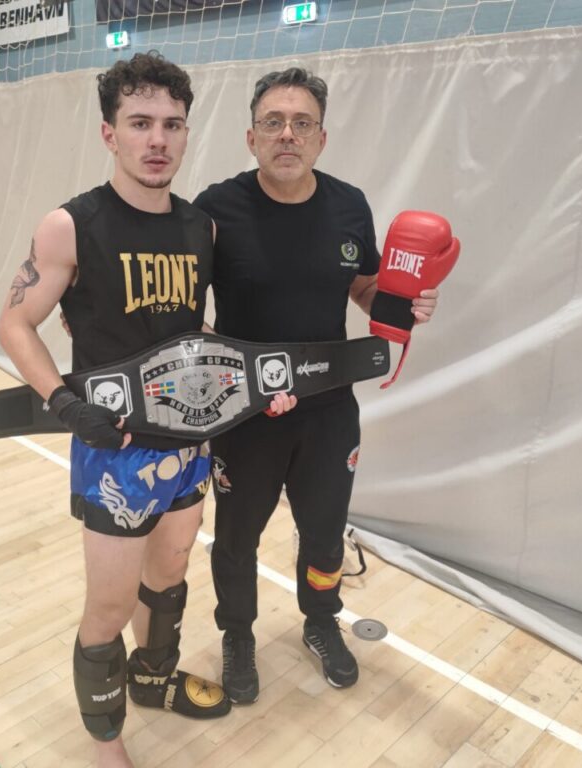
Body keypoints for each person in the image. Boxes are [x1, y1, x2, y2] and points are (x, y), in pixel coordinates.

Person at [0, 52, 296, 768]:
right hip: (114, 452)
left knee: (167, 582)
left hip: (189, 444)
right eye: (139, 123)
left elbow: (196, 331)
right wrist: (63, 403)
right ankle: (106, 741)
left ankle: (155, 682)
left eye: (171, 124)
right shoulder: (71, 225)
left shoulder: (201, 229)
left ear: (187, 132)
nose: (157, 139)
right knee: (108, 605)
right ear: (110, 133)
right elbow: (15, 322)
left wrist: (252, 381)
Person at [194, 67, 440, 703]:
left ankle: (322, 621)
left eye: (302, 123)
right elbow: (185, 306)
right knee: (236, 537)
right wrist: (229, 369)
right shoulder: (215, 208)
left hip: (328, 406)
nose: (288, 134)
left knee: (326, 532)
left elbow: (364, 286)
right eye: (273, 122)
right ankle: (238, 634)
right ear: (251, 137)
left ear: (321, 139)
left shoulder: (349, 205)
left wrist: (404, 302)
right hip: (245, 412)